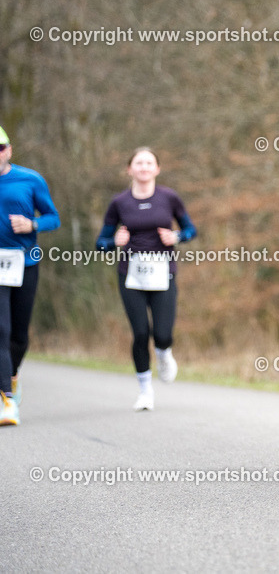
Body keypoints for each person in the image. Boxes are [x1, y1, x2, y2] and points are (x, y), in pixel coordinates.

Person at [96, 147, 196, 411]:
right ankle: (145, 391)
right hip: (131, 275)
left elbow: (190, 229)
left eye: (148, 163)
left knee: (162, 334)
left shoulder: (169, 198)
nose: (143, 167)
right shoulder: (119, 203)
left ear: (157, 169)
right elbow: (100, 242)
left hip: (164, 273)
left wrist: (177, 238)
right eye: (138, 163)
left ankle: (164, 354)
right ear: (129, 169)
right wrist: (113, 242)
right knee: (141, 333)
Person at [0, 126, 61, 426]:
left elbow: (53, 217)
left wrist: (32, 225)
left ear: (9, 150)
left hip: (24, 262)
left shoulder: (30, 179)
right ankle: (6, 400)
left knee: (19, 335)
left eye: (0, 148)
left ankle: (11, 375)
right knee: (1, 330)